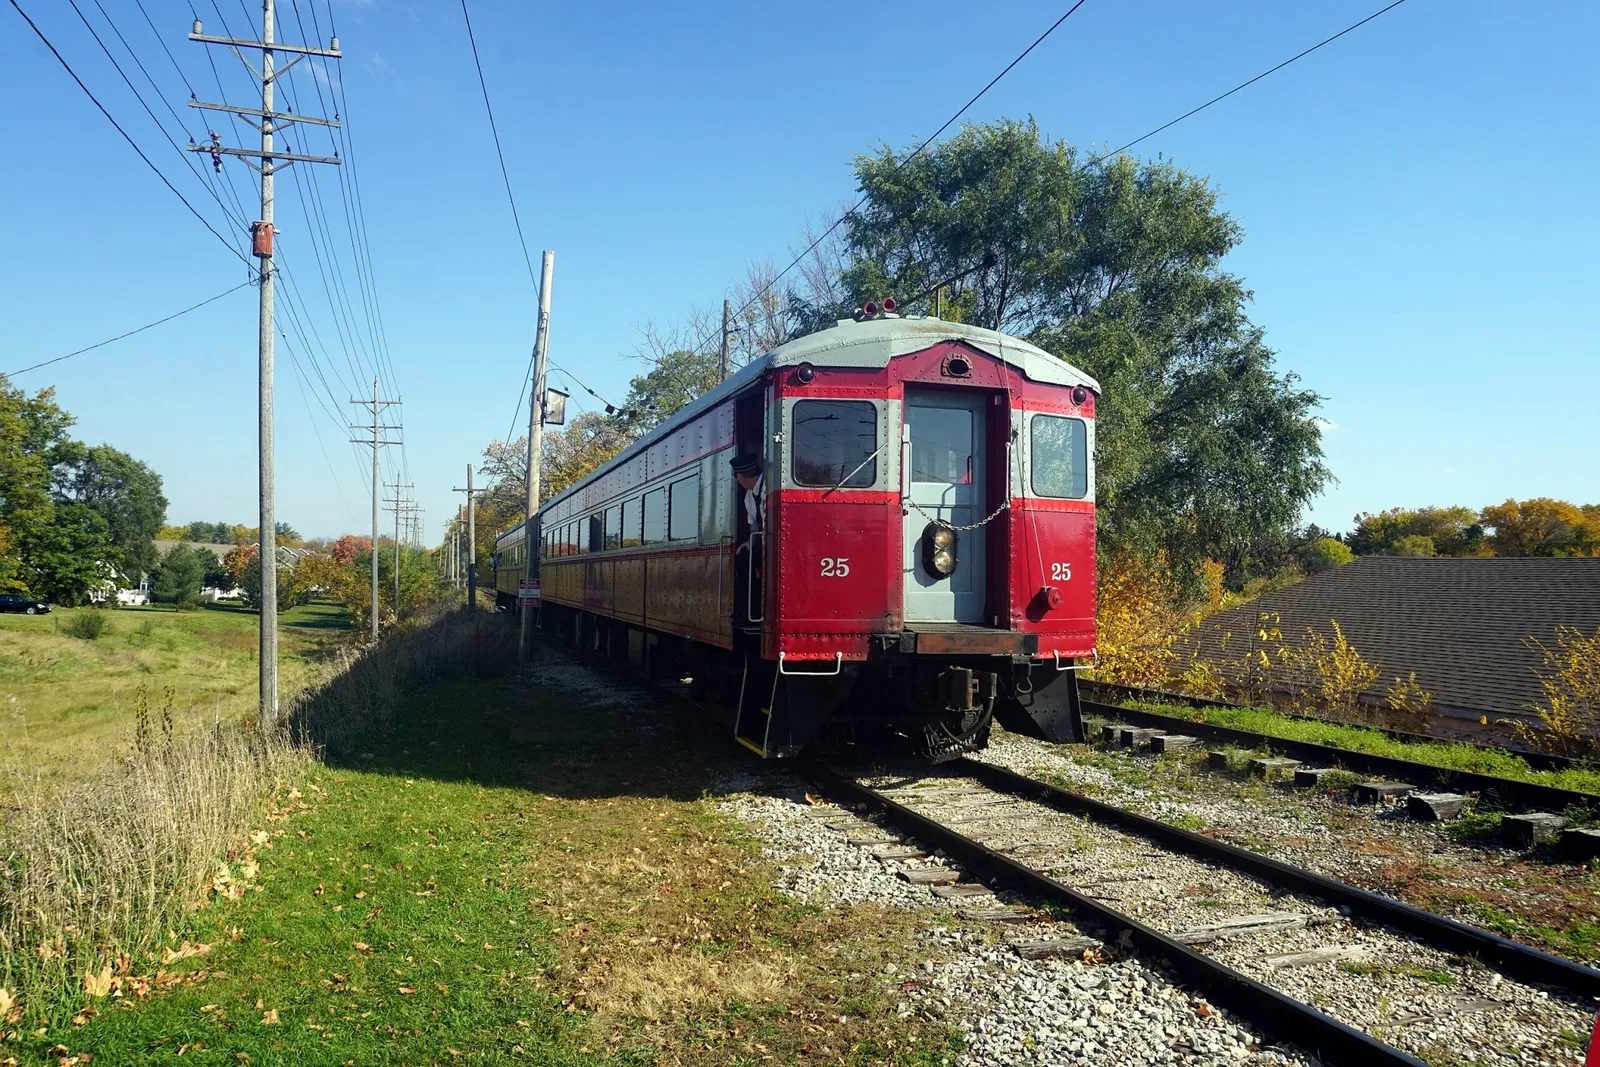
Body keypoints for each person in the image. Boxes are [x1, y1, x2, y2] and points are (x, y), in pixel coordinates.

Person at [731, 453, 764, 626]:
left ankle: (755, 612)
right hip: (764, 542)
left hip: (778, 543)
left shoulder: (769, 488)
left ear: (741, 476)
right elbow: (754, 524)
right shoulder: (749, 496)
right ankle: (749, 611)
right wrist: (750, 542)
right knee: (743, 558)